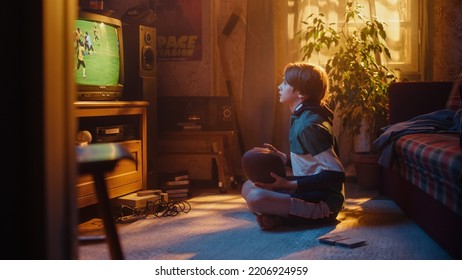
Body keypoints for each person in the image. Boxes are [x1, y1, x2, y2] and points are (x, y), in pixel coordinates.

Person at [241, 62, 345, 230]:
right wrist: (283, 158)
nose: (279, 86)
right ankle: (281, 213)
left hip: (323, 202)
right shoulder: (301, 116)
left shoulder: (309, 126)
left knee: (256, 199)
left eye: (285, 83)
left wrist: (287, 185)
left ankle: (283, 219)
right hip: (307, 189)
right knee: (249, 185)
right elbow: (311, 163)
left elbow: (336, 174)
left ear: (301, 93)